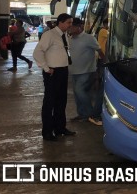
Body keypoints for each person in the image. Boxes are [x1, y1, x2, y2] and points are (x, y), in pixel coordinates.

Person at [33, 13, 75, 142]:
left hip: (63, 71)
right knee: (49, 103)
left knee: (61, 101)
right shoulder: (49, 35)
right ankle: (47, 132)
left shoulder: (64, 35)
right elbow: (37, 52)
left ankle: (60, 128)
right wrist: (46, 68)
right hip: (53, 72)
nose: (70, 25)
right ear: (61, 22)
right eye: (68, 22)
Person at [68, 18, 104, 126]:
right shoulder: (69, 38)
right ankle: (82, 114)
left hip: (86, 71)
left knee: (80, 91)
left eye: (72, 26)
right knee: (77, 94)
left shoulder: (89, 38)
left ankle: (91, 114)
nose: (70, 29)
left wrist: (103, 66)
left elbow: (100, 51)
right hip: (74, 71)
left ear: (80, 27)